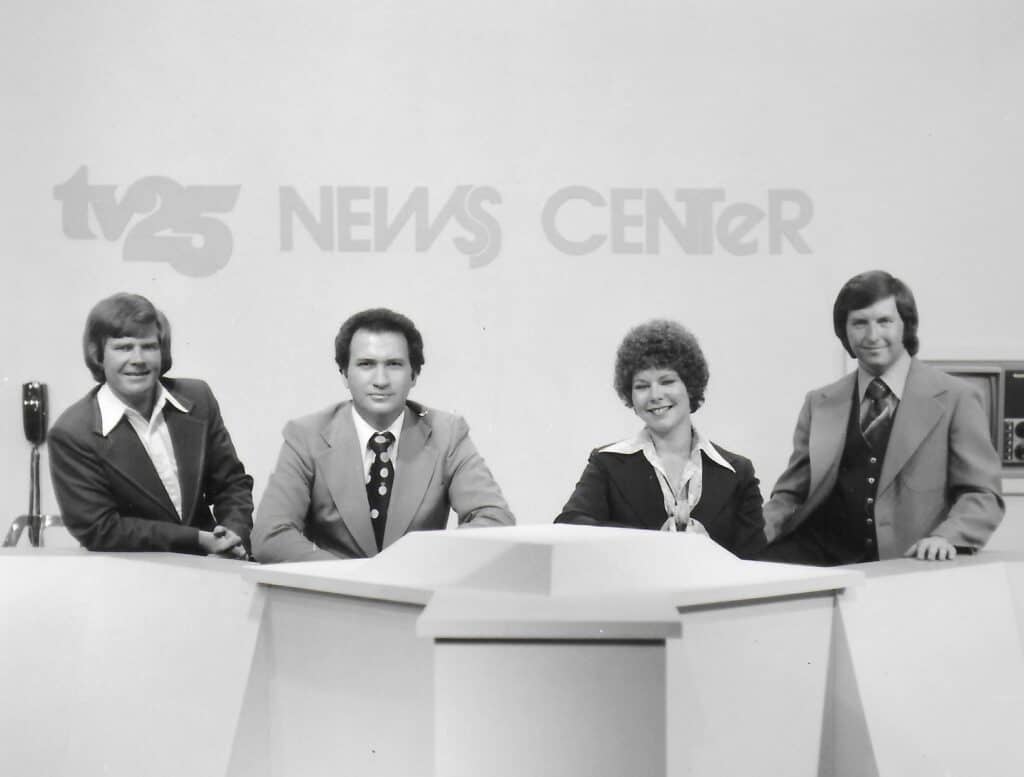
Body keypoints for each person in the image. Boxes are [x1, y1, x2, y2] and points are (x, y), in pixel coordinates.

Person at [760, 270, 1004, 564]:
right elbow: (790, 494)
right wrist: (748, 539)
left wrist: (946, 537)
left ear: (906, 326)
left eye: (884, 321)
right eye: (859, 323)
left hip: (907, 565)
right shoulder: (819, 402)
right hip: (821, 561)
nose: (872, 336)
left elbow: (982, 495)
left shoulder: (957, 398)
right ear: (844, 332)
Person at [252, 308, 514, 562]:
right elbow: (271, 536)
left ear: (414, 375)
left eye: (394, 364)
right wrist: (356, 579)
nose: (381, 379)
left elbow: (495, 520)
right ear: (344, 374)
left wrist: (416, 566)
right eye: (366, 364)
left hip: (416, 595)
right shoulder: (306, 435)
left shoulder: (448, 433)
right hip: (332, 598)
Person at [48, 293, 253, 557]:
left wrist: (232, 535)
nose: (138, 359)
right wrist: (197, 540)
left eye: (148, 346)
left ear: (162, 351)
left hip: (215, 565)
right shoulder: (72, 432)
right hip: (132, 579)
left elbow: (231, 483)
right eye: (123, 348)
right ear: (98, 354)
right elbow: (101, 529)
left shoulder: (198, 398)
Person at [555, 319, 767, 558]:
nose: (655, 395)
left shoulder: (738, 473)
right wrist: (653, 542)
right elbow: (569, 526)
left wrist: (709, 549)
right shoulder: (607, 462)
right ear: (630, 396)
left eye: (667, 381)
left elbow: (756, 562)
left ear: (690, 385)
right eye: (642, 386)